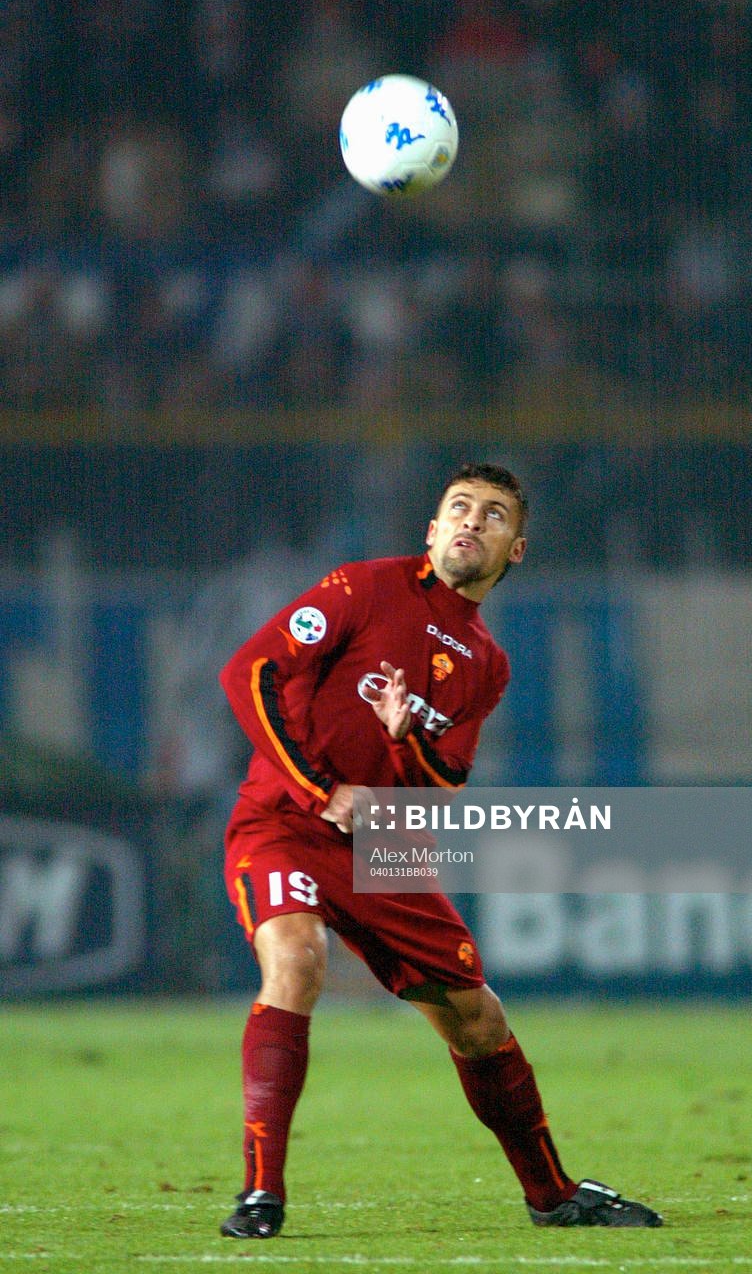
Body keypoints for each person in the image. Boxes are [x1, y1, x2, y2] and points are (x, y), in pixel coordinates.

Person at [217, 461, 662, 1238]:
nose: (471, 522)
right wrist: (322, 789)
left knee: (476, 1019)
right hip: (284, 819)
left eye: (493, 515)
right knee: (296, 958)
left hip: (379, 845)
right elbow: (247, 671)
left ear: (514, 549)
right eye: (458, 508)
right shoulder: (364, 587)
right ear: (431, 529)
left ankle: (552, 1194)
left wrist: (408, 735)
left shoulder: (487, 664)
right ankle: (261, 1194)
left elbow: (445, 779)